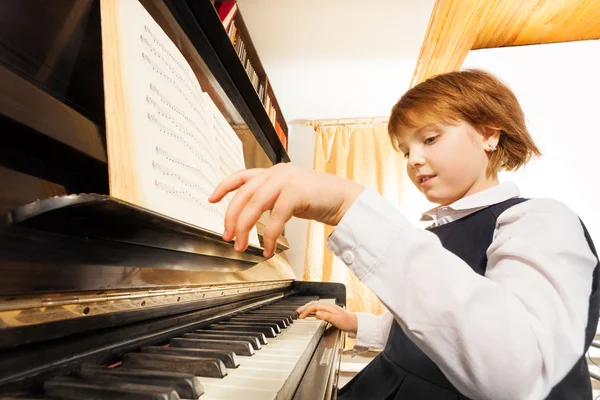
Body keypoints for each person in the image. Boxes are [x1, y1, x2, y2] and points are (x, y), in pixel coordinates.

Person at [209, 69, 599, 400]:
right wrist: (359, 323)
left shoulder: (542, 220)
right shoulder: (441, 229)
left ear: (489, 135)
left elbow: (517, 369)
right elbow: (433, 331)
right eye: (404, 150)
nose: (413, 160)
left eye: (429, 139)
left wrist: (349, 205)